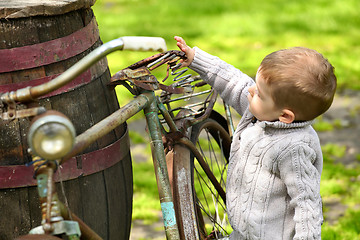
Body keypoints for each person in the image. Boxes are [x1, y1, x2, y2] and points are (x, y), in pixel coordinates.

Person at [174, 36, 337, 239]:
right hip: (243, 233)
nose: (251, 91)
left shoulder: (295, 148)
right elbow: (235, 82)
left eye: (259, 93)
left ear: (285, 116)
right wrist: (196, 58)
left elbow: (307, 205)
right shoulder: (263, 112)